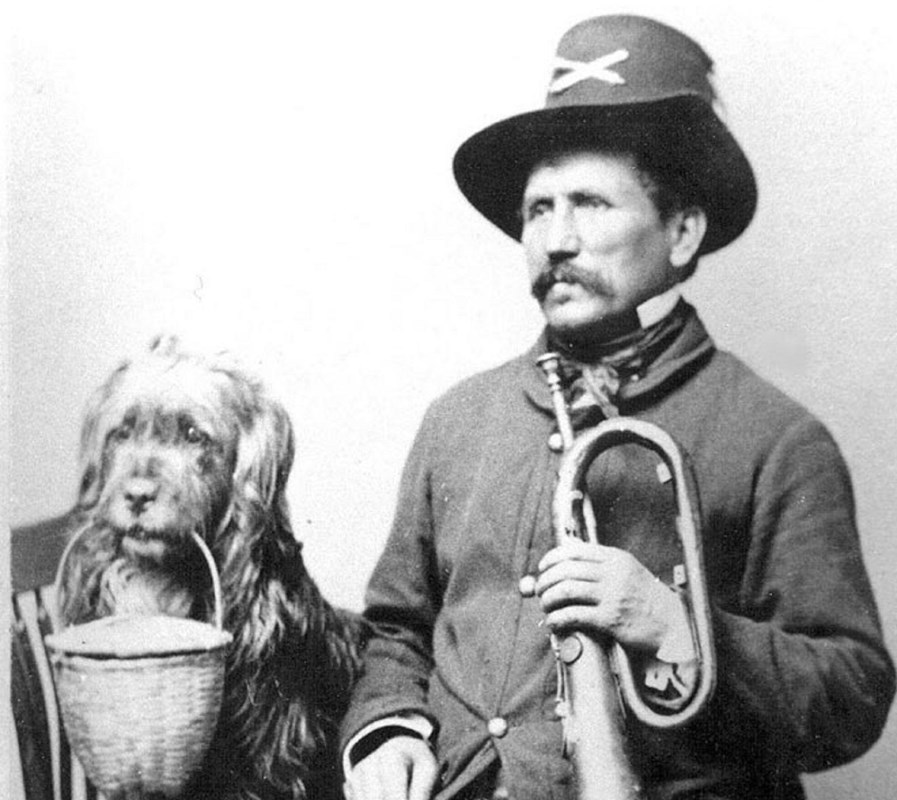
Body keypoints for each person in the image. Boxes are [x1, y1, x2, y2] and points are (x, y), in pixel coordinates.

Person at [339, 15, 895, 800]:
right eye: (538, 209)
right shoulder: (458, 419)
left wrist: (675, 626)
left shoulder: (776, 438)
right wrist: (389, 733)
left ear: (680, 231)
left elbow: (852, 694)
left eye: (590, 204)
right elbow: (396, 630)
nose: (554, 240)